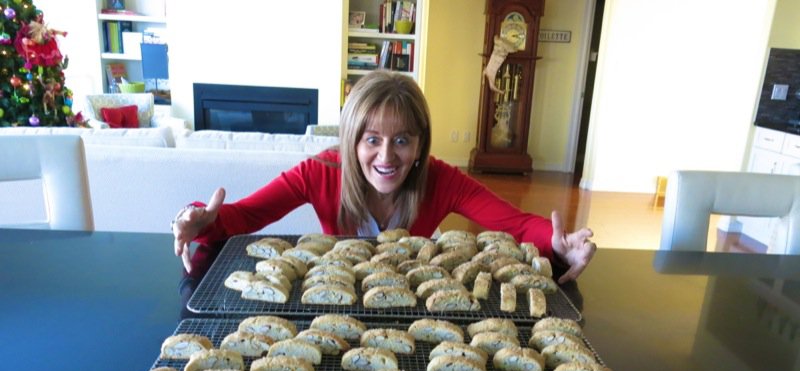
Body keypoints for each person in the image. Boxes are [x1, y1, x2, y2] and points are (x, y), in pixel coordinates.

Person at [171, 70, 596, 284]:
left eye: (402, 140)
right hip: (334, 300)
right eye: (372, 139)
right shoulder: (320, 171)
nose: (386, 156)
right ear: (351, 140)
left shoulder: (440, 178)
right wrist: (198, 217)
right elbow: (244, 216)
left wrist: (558, 246)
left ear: (420, 144)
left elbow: (517, 225)